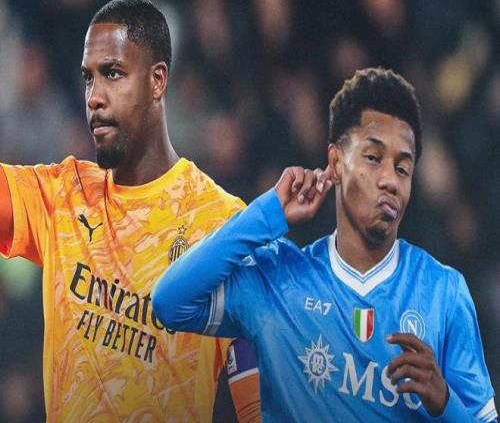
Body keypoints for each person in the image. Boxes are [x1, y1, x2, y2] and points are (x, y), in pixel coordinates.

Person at [152, 68, 498, 422]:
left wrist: (445, 403)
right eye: (373, 158)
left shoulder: (443, 292)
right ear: (335, 162)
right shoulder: (280, 281)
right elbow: (170, 301)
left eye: (402, 169)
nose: (390, 181)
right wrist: (267, 214)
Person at [0, 0, 260, 422]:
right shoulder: (62, 195)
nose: (94, 97)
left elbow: (258, 402)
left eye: (113, 73)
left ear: (157, 81)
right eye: (88, 78)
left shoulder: (221, 223)